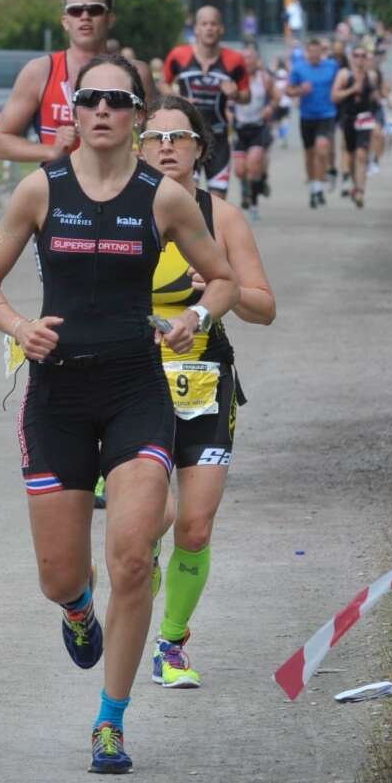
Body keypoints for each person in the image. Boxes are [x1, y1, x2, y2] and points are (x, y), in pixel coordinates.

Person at [0, 54, 237, 774]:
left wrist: (196, 319)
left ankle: (110, 721)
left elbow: (224, 279)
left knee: (132, 557)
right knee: (59, 575)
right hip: (56, 397)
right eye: (90, 99)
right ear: (75, 110)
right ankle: (77, 608)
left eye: (118, 100)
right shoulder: (40, 189)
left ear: (137, 115)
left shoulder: (164, 198)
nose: (103, 111)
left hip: (135, 393)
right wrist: (18, 326)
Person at [138, 97, 275, 687]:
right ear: (139, 147)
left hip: (206, 382)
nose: (167, 146)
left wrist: (223, 288)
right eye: (156, 137)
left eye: (180, 136)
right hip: (134, 380)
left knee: (194, 526)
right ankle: (138, 562)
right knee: (151, 516)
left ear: (201, 148)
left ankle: (170, 644)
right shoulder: (117, 213)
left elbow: (264, 307)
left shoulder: (222, 218)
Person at [0, 0, 155, 164]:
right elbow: (0, 143)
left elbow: (156, 134)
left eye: (94, 10)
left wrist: (144, 155)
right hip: (59, 180)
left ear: (110, 18)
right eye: (75, 11)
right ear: (65, 21)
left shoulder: (136, 73)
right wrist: (50, 151)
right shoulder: (40, 71)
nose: (84, 17)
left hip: (119, 180)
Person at [163, 6, 249, 196]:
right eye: (204, 24)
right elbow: (162, 84)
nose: (209, 28)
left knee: (217, 199)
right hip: (187, 137)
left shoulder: (235, 60)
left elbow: (246, 96)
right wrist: (177, 98)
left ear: (221, 29)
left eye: (213, 24)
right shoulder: (178, 55)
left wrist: (235, 94)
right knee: (186, 196)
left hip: (218, 138)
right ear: (196, 28)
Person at [287, 38, 339, 208]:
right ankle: (313, 185)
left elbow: (341, 83)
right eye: (311, 51)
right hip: (307, 116)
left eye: (318, 51)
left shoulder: (332, 66)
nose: (315, 54)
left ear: (321, 52)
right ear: (307, 52)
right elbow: (289, 90)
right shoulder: (299, 68)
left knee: (321, 149)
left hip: (327, 115)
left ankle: (318, 187)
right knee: (310, 155)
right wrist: (300, 90)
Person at [332, 47, 380, 208]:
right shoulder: (344, 74)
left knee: (361, 154)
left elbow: (375, 98)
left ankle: (360, 191)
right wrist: (352, 90)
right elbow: (334, 96)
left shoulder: (371, 76)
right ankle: (355, 184)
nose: (360, 58)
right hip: (348, 118)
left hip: (365, 117)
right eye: (356, 55)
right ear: (352, 58)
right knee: (351, 156)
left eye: (363, 56)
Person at [229, 51, 274, 216]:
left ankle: (254, 204)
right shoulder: (234, 80)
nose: (248, 62)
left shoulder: (264, 78)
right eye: (245, 59)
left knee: (254, 164)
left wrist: (270, 107)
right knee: (240, 171)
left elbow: (276, 97)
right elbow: (225, 101)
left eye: (251, 59)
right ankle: (245, 189)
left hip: (258, 127)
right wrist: (228, 114)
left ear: (257, 61)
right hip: (240, 128)